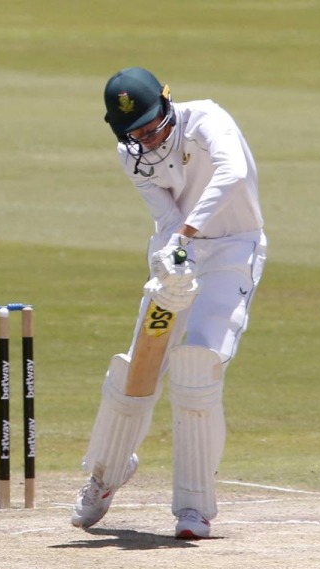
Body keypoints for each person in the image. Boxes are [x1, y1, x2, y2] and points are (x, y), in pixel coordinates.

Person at [70, 67, 267, 539]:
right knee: (140, 366)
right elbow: (165, 214)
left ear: (167, 102)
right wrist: (172, 255)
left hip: (234, 248)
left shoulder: (207, 120)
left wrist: (185, 235)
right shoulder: (129, 153)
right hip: (178, 251)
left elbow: (232, 173)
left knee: (198, 366)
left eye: (149, 124)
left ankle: (194, 508)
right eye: (132, 131)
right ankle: (105, 474)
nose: (143, 137)